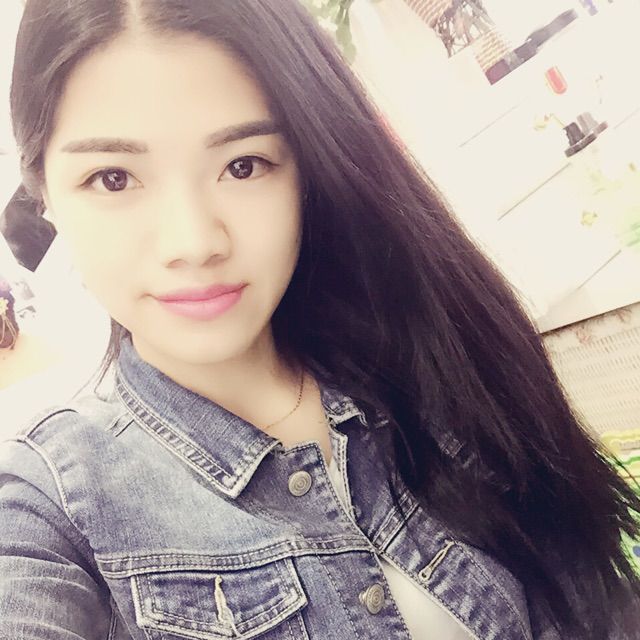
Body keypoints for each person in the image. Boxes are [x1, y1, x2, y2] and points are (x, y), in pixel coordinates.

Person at [0, 1, 638, 639]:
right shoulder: (50, 510)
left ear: (307, 169)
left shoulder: (430, 362)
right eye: (113, 178)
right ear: (44, 193)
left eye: (243, 165)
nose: (194, 242)